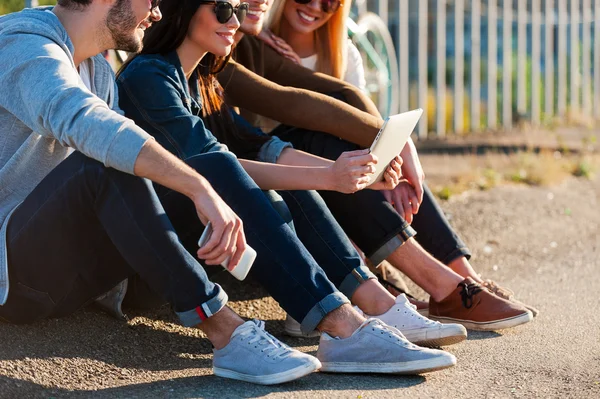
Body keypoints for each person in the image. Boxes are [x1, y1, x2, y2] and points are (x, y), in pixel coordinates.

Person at [0, 0, 457, 385]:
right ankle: (228, 334)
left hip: (93, 271)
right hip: (18, 279)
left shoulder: (98, 70)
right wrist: (200, 188)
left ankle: (342, 319)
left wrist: (210, 182)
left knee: (215, 164)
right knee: (112, 164)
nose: (157, 12)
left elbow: (278, 117)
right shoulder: (24, 45)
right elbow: (84, 122)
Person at [116, 0, 468, 349]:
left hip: (207, 242)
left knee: (285, 176)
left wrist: (361, 175)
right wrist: (330, 176)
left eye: (238, 12)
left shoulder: (201, 81)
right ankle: (341, 320)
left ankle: (374, 302)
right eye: (224, 10)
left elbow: (258, 146)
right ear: (185, 9)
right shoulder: (149, 77)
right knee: (254, 179)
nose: (235, 22)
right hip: (154, 263)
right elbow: (216, 168)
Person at [215, 0, 538, 331]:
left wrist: (396, 146)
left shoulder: (255, 43)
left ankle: (461, 281)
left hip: (271, 167)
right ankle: (432, 289)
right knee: (323, 142)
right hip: (239, 188)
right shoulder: (218, 51)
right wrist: (385, 145)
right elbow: (289, 103)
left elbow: (337, 93)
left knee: (356, 152)